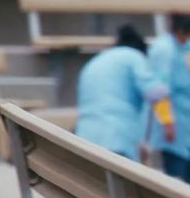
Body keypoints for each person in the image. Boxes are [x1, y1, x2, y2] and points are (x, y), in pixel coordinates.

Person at [74, 25, 173, 162]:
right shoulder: (134, 57)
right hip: (117, 136)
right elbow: (156, 93)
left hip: (86, 136)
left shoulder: (97, 61)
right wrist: (168, 124)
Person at [147, 13, 190, 185]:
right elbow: (160, 89)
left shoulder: (182, 48)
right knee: (177, 174)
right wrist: (167, 122)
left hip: (185, 122)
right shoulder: (165, 50)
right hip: (172, 123)